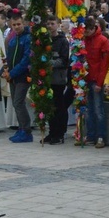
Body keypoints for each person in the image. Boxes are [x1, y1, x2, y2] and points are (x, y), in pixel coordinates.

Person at [3, 12, 32, 143]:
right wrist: (4, 71)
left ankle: (26, 131)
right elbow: (9, 58)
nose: (16, 27)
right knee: (16, 103)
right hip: (13, 76)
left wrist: (12, 73)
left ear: (23, 23)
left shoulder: (28, 38)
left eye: (19, 24)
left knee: (18, 103)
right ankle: (21, 128)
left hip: (23, 76)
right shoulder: (13, 39)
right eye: (14, 25)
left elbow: (26, 60)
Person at [82, 17, 109, 147]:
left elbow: (104, 64)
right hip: (85, 79)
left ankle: (101, 136)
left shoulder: (103, 40)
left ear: (94, 28)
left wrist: (100, 82)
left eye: (88, 31)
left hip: (96, 79)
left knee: (99, 110)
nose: (86, 33)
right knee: (88, 110)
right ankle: (90, 135)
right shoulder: (83, 39)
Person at [45, 15, 70, 145]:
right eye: (48, 24)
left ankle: (60, 133)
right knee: (49, 107)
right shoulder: (45, 40)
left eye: (52, 23)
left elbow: (64, 60)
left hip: (58, 78)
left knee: (58, 106)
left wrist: (49, 63)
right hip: (47, 79)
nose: (50, 26)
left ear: (58, 24)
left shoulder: (62, 41)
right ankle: (52, 131)